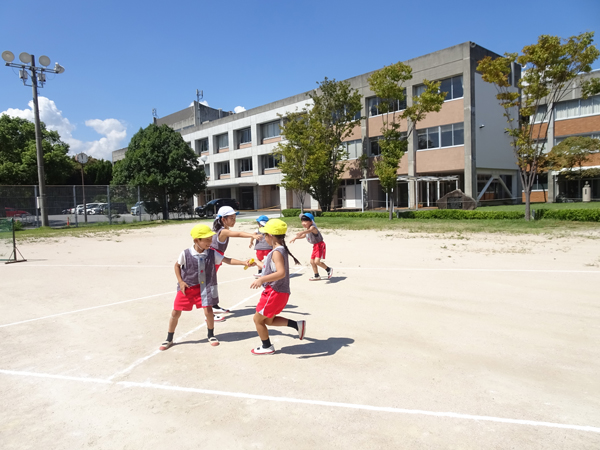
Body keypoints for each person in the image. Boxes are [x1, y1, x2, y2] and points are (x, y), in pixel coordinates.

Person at [159, 224, 250, 351]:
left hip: (205, 287)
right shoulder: (185, 253)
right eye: (207, 240)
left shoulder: (212, 253)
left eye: (211, 239)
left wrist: (243, 262)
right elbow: (177, 266)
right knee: (176, 312)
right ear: (197, 240)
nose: (210, 242)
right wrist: (180, 281)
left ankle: (211, 335)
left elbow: (227, 260)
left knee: (208, 311)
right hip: (187, 287)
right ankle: (169, 338)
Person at [249, 218, 305, 355]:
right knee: (269, 320)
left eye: (265, 235)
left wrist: (261, 279)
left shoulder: (277, 252)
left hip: (274, 292)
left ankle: (267, 346)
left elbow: (281, 273)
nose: (264, 237)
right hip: (279, 292)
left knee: (257, 320)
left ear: (271, 236)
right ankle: (297, 325)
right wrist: (257, 263)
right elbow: (271, 268)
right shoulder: (279, 250)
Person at [211, 205, 261, 313]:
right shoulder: (223, 231)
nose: (234, 220)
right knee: (209, 285)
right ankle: (210, 311)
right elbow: (239, 233)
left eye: (235, 218)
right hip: (212, 260)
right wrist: (252, 236)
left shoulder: (221, 229)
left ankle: (214, 306)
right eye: (232, 218)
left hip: (216, 259)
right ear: (223, 219)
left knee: (212, 284)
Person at [290, 212, 332, 281]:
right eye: (302, 221)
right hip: (315, 246)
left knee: (317, 261)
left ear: (311, 221)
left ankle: (328, 269)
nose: (303, 223)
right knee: (312, 262)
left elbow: (310, 231)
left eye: (305, 221)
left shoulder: (313, 227)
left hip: (320, 245)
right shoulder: (307, 228)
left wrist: (301, 232)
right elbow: (304, 235)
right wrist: (296, 238)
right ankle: (316, 275)